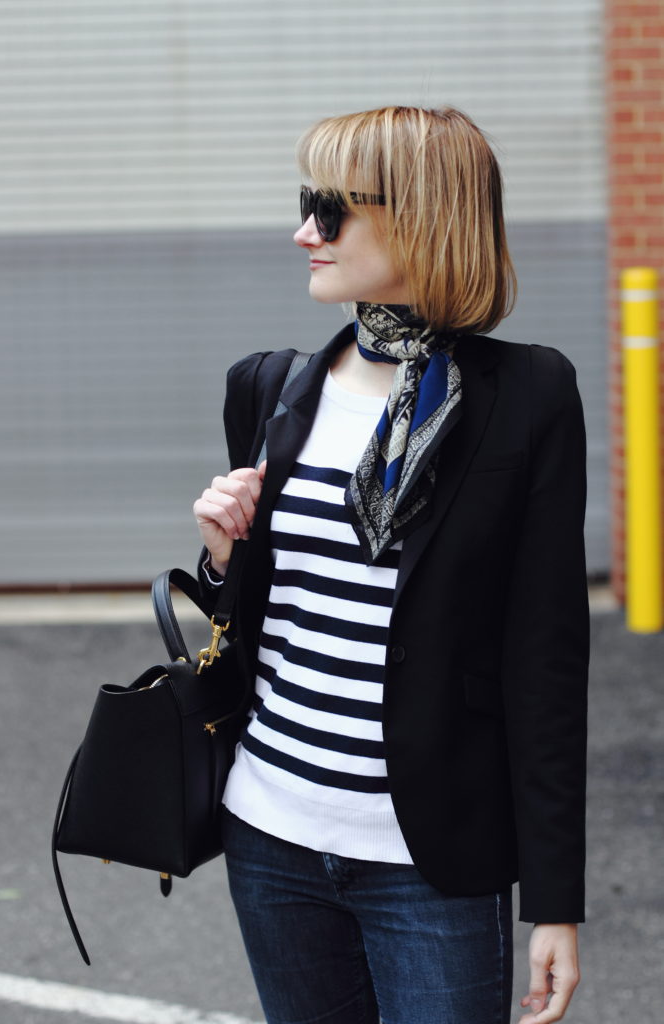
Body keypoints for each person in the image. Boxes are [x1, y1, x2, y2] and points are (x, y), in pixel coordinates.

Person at [193, 106, 588, 1024]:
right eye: (305, 205)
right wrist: (220, 562)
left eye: (328, 210)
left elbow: (546, 662)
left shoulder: (526, 398)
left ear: (420, 216)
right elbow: (254, 620)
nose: (303, 233)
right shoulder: (265, 385)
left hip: (432, 861)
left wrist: (556, 904)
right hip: (271, 833)